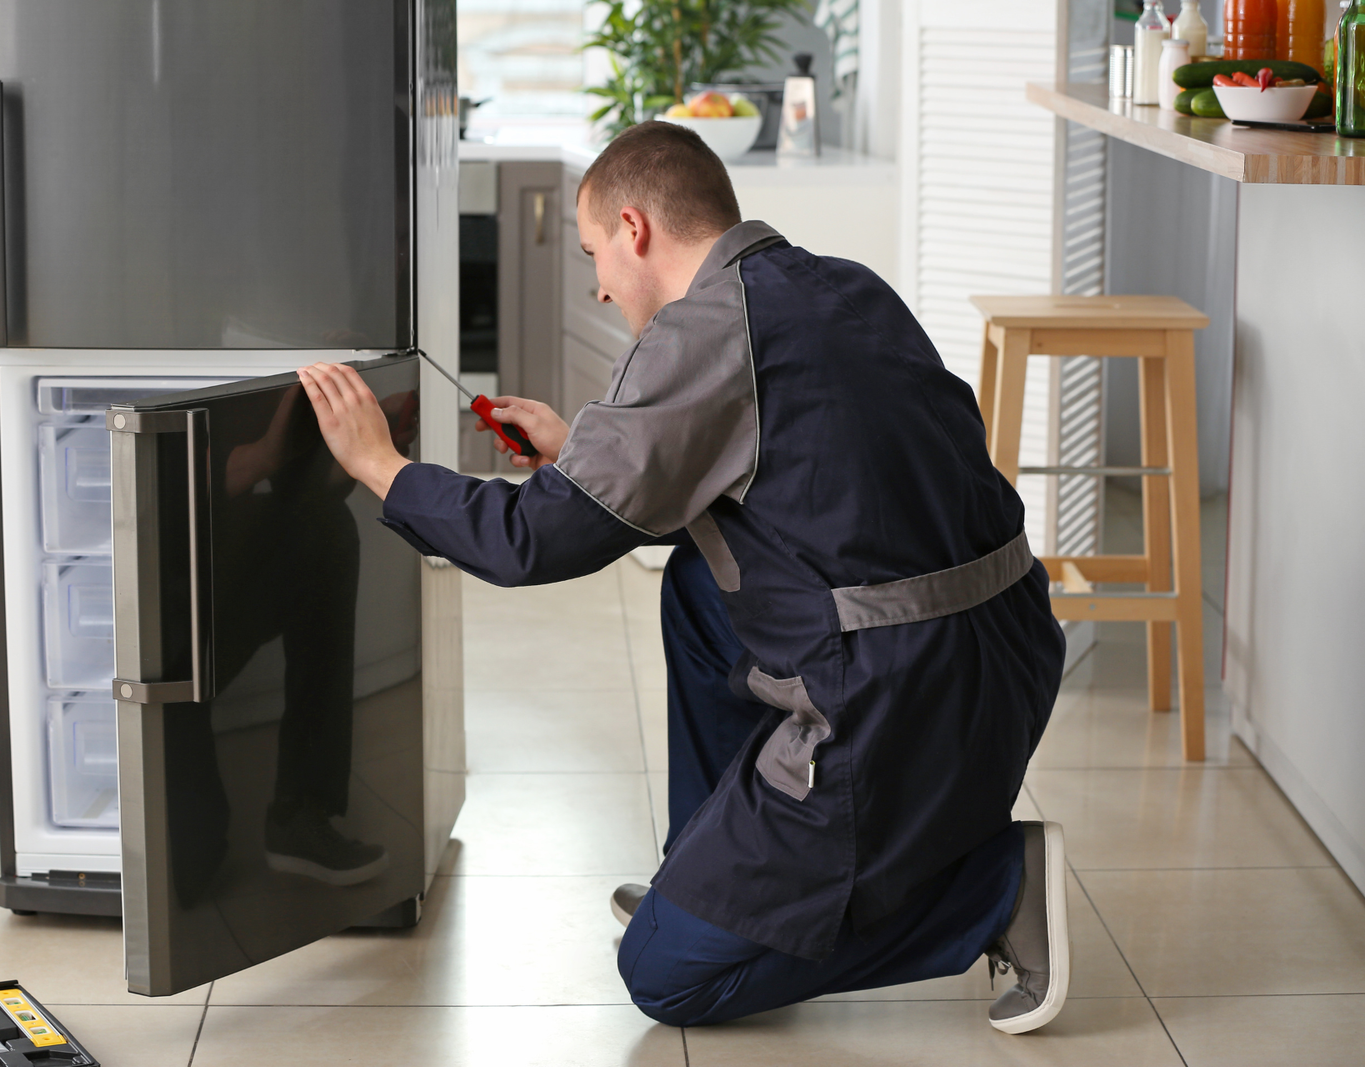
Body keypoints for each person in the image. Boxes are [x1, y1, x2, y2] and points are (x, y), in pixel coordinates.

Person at [295, 120, 1069, 1033]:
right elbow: (793, 475)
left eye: (593, 253)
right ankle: (705, 876)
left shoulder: (702, 331)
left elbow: (528, 541)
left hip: (900, 694)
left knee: (665, 975)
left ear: (635, 228)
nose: (598, 282)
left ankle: (997, 888)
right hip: (1010, 646)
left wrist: (382, 466)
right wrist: (582, 450)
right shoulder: (839, 283)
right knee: (700, 592)